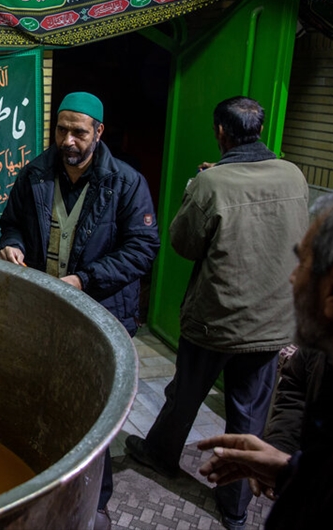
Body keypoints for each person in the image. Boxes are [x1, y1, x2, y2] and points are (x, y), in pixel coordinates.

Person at [125, 96, 309, 530]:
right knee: (249, 412)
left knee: (185, 395)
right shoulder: (293, 174)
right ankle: (234, 507)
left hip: (216, 321)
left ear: (221, 133)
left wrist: (197, 187)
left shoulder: (211, 185)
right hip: (272, 321)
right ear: (259, 130)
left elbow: (184, 243)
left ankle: (160, 456)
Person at [0, 91, 160, 530]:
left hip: (100, 315)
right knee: (41, 399)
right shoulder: (33, 173)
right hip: (43, 311)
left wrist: (85, 280)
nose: (68, 140)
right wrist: (10, 244)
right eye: (62, 129)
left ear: (99, 132)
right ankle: (39, 485)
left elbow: (143, 249)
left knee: (92, 410)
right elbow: (11, 222)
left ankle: (95, 503)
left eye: (79, 132)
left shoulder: (126, 183)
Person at [196, 185, 333, 530]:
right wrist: (289, 466)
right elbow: (297, 382)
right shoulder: (323, 355)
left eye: (302, 262)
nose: (292, 277)